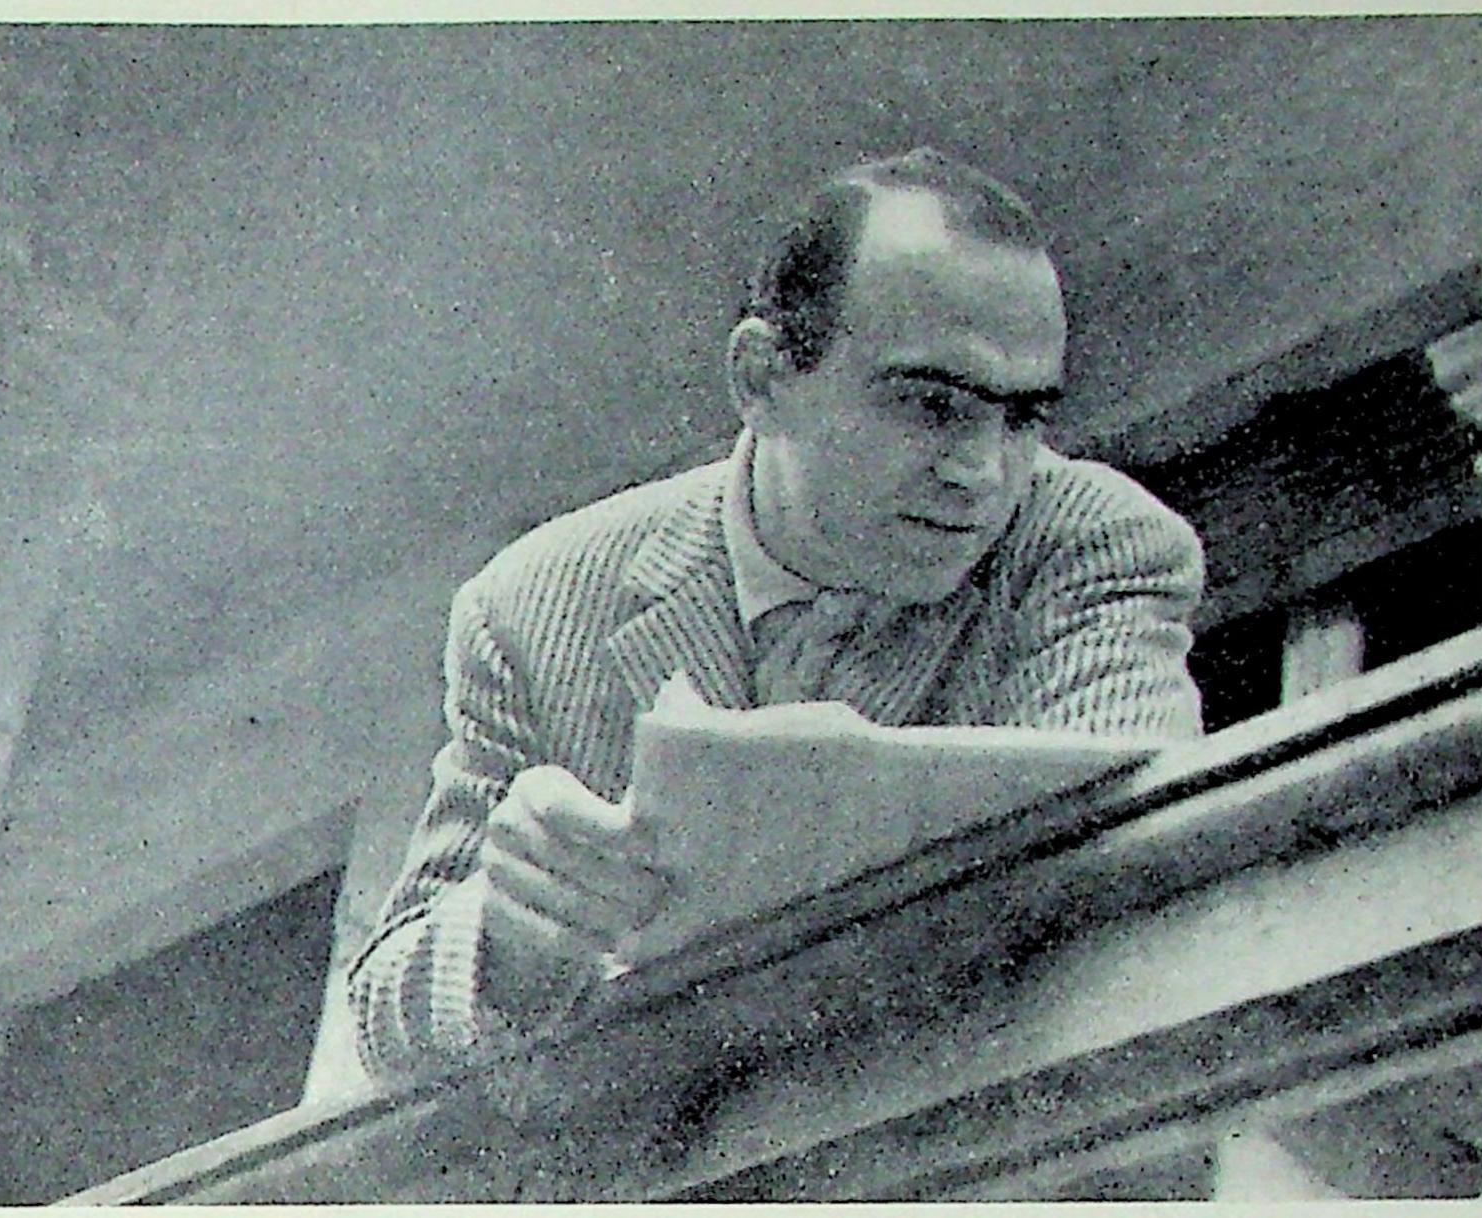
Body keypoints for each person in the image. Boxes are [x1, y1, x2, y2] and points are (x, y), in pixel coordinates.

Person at [348, 147, 1206, 1080]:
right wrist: (506, 939)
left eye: (1024, 417)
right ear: (760, 380)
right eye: (931, 404)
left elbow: (1137, 876)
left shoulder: (1093, 542)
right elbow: (382, 1024)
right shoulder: (529, 607)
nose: (983, 472)